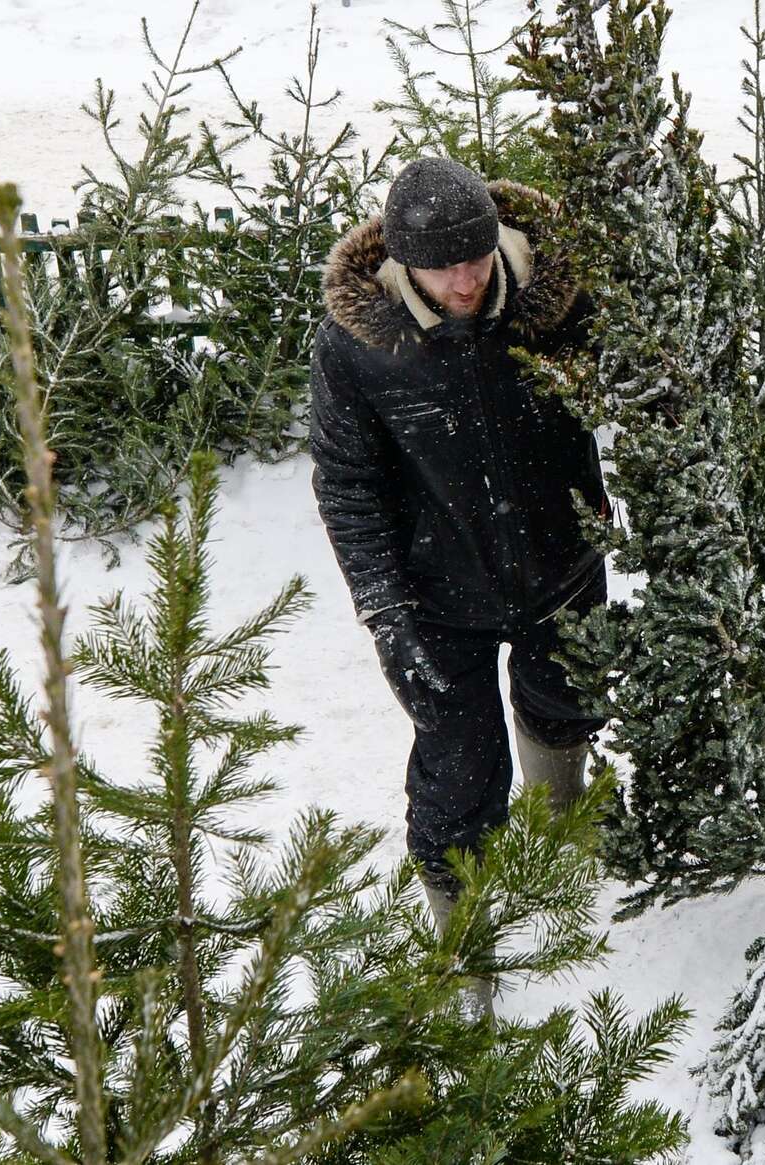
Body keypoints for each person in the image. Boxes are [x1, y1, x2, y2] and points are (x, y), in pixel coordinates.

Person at [308, 156, 611, 1014]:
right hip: (438, 596)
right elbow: (346, 480)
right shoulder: (359, 345)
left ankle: (561, 827)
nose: (466, 279)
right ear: (405, 263)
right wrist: (385, 610)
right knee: (456, 768)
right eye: (445, 266)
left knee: (566, 704)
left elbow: (645, 381)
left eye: (476, 257)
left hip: (562, 568)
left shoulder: (558, 299)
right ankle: (463, 939)